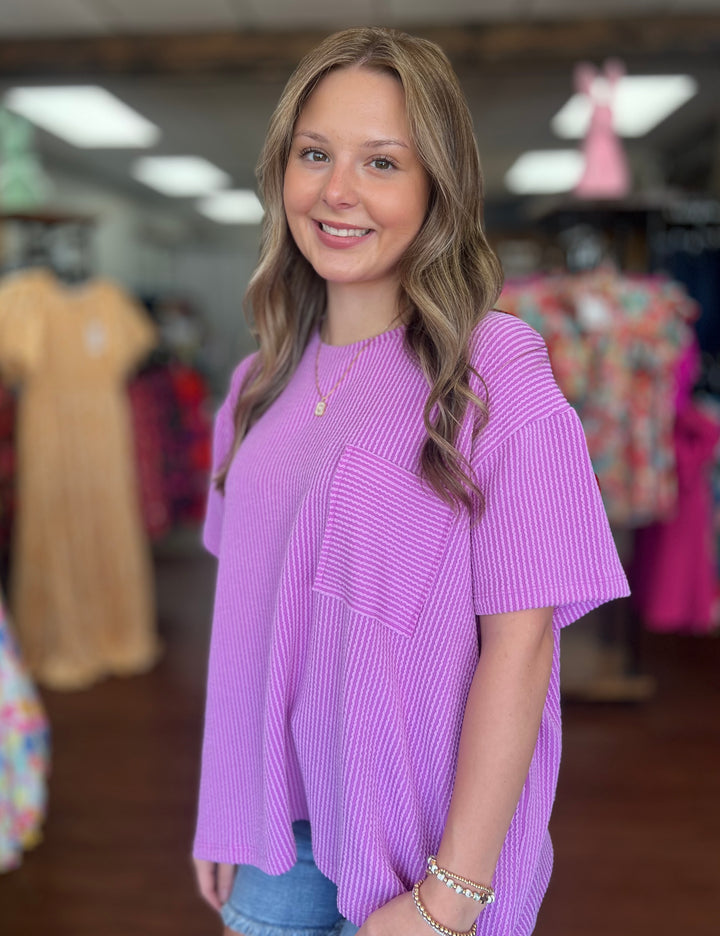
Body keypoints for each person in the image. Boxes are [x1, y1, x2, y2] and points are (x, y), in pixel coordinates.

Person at [192, 26, 629, 936]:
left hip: (425, 852)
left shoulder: (493, 369)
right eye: (315, 153)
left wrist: (450, 896)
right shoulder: (255, 386)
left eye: (382, 162)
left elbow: (521, 648)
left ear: (437, 188)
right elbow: (247, 623)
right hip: (275, 844)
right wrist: (222, 803)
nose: (337, 191)